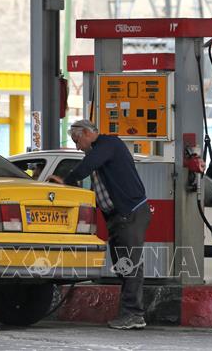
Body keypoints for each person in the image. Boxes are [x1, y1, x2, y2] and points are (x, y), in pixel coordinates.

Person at [47, 119, 151, 330]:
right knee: (123, 266)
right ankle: (131, 313)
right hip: (117, 217)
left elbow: (87, 166)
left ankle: (134, 314)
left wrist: (66, 180)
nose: (77, 146)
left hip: (130, 212)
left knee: (130, 265)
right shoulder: (98, 152)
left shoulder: (109, 144)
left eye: (77, 140)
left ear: (87, 132)